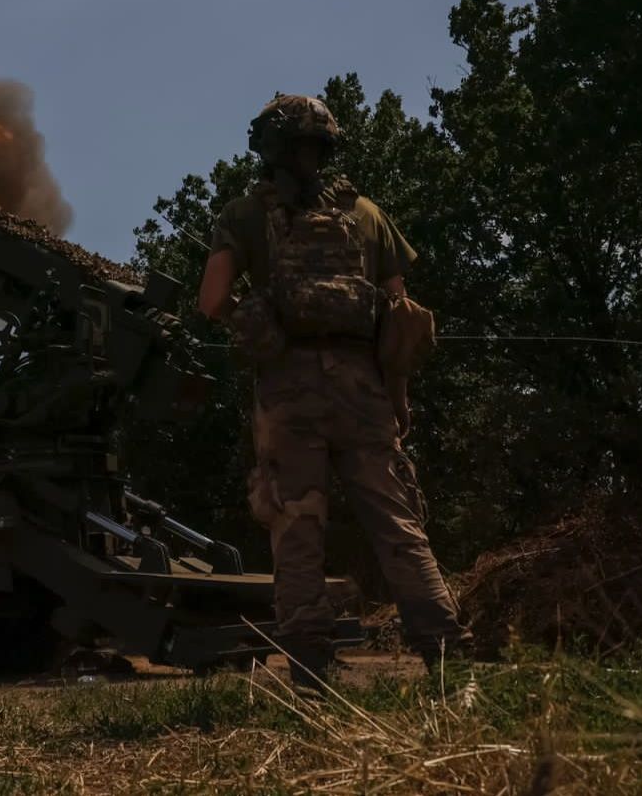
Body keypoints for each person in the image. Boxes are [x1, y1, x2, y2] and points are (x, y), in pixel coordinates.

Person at [197, 94, 469, 690]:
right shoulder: (367, 212)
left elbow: (212, 300)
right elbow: (398, 317)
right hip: (364, 390)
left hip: (288, 394)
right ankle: (451, 671)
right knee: (399, 527)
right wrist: (398, 399)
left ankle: (310, 681)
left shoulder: (244, 213)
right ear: (326, 146)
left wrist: (259, 323)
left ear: (265, 149)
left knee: (296, 533)